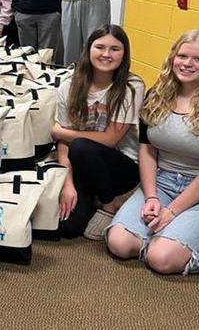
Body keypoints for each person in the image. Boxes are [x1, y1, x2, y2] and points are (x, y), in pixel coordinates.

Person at [106, 30, 199, 274]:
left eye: (198, 59)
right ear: (173, 58)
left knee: (161, 259)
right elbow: (147, 151)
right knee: (120, 243)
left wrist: (171, 212)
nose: (187, 64)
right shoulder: (156, 97)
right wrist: (151, 197)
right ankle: (171, 236)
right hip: (162, 182)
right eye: (182, 56)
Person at [52, 25, 145, 240]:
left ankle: (110, 203)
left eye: (115, 49)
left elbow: (110, 139)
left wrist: (60, 132)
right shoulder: (69, 86)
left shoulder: (132, 86)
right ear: (89, 50)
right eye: (100, 47)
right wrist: (67, 184)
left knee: (82, 147)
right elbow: (63, 144)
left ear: (124, 54)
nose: (106, 54)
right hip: (81, 166)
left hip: (122, 168)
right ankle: (93, 198)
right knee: (68, 229)